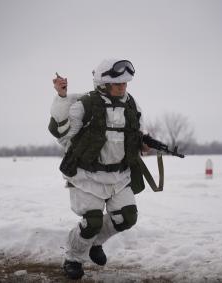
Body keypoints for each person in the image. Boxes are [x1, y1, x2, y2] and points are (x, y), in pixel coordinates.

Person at [49, 59, 148, 280]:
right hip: (87, 176)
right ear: (103, 84)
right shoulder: (86, 105)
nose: (123, 87)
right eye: (118, 83)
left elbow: (138, 132)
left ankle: (95, 243)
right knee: (92, 221)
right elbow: (60, 131)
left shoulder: (132, 105)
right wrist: (63, 97)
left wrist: (144, 143)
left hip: (119, 176)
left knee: (127, 217)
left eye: (125, 83)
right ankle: (73, 259)